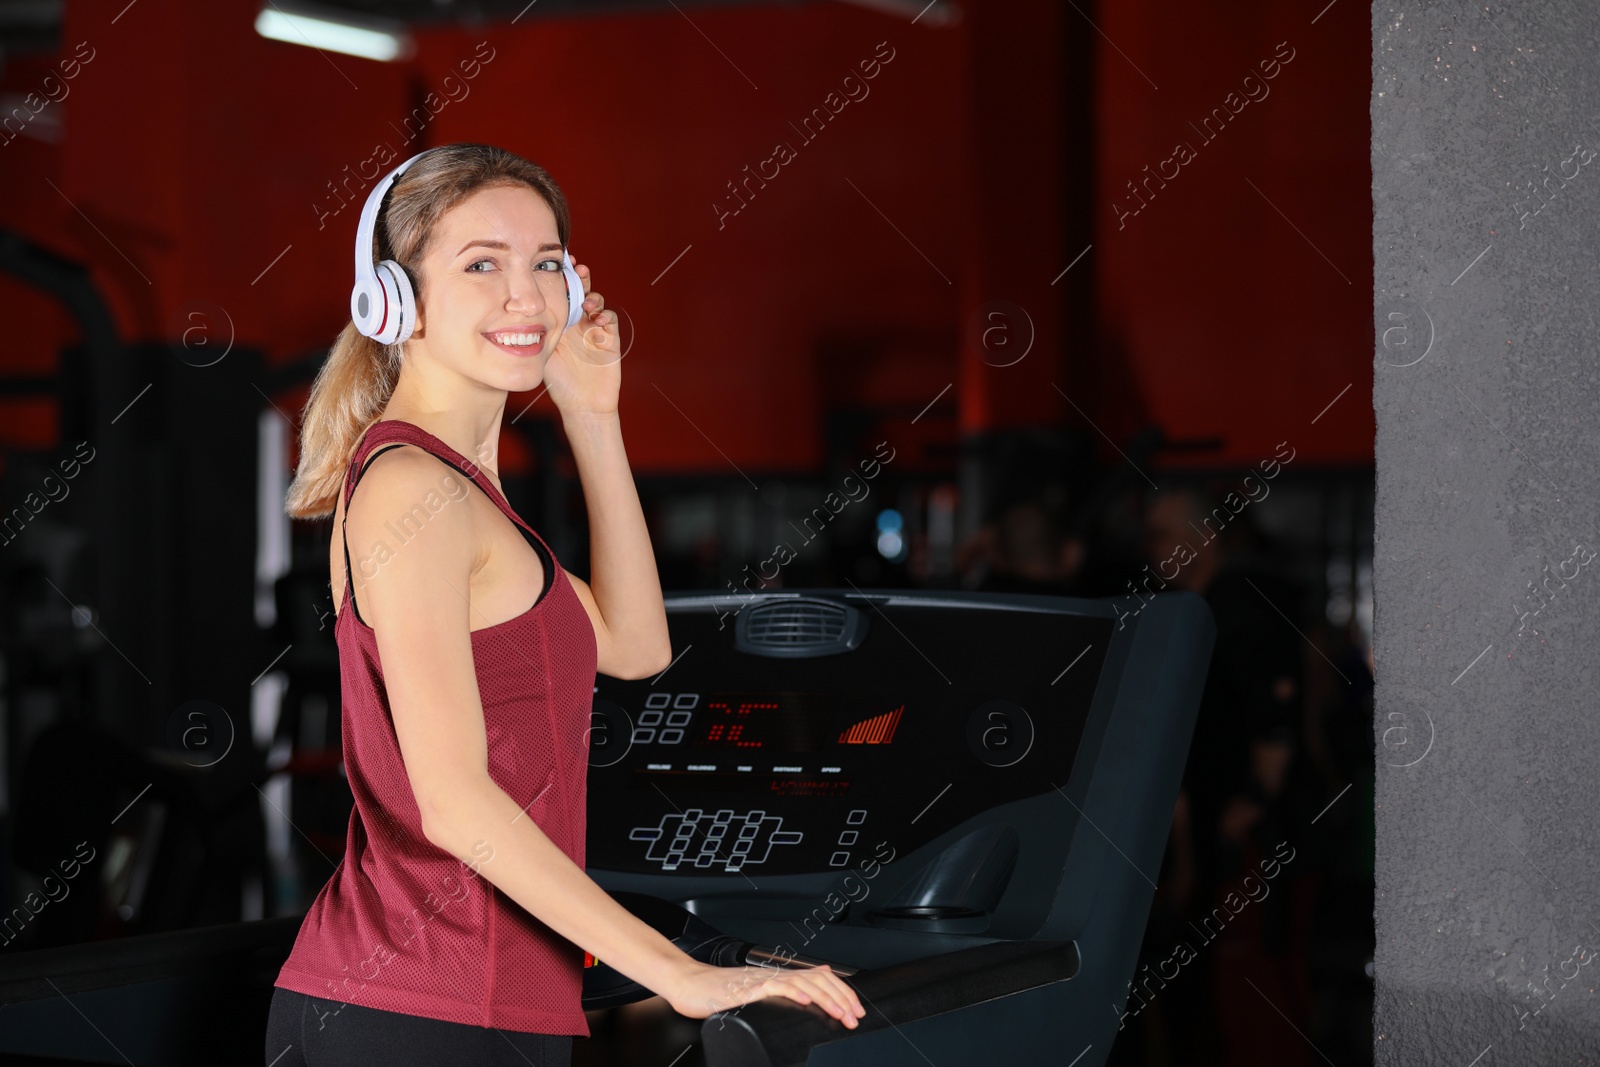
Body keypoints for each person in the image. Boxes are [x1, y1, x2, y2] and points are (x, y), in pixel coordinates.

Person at [266, 143, 863, 1066]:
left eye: (547, 262)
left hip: (494, 1007)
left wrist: (593, 417)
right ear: (392, 301)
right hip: (413, 1009)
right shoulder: (407, 488)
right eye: (481, 264)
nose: (527, 296)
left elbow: (635, 642)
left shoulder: (466, 492)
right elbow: (456, 803)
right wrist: (683, 974)